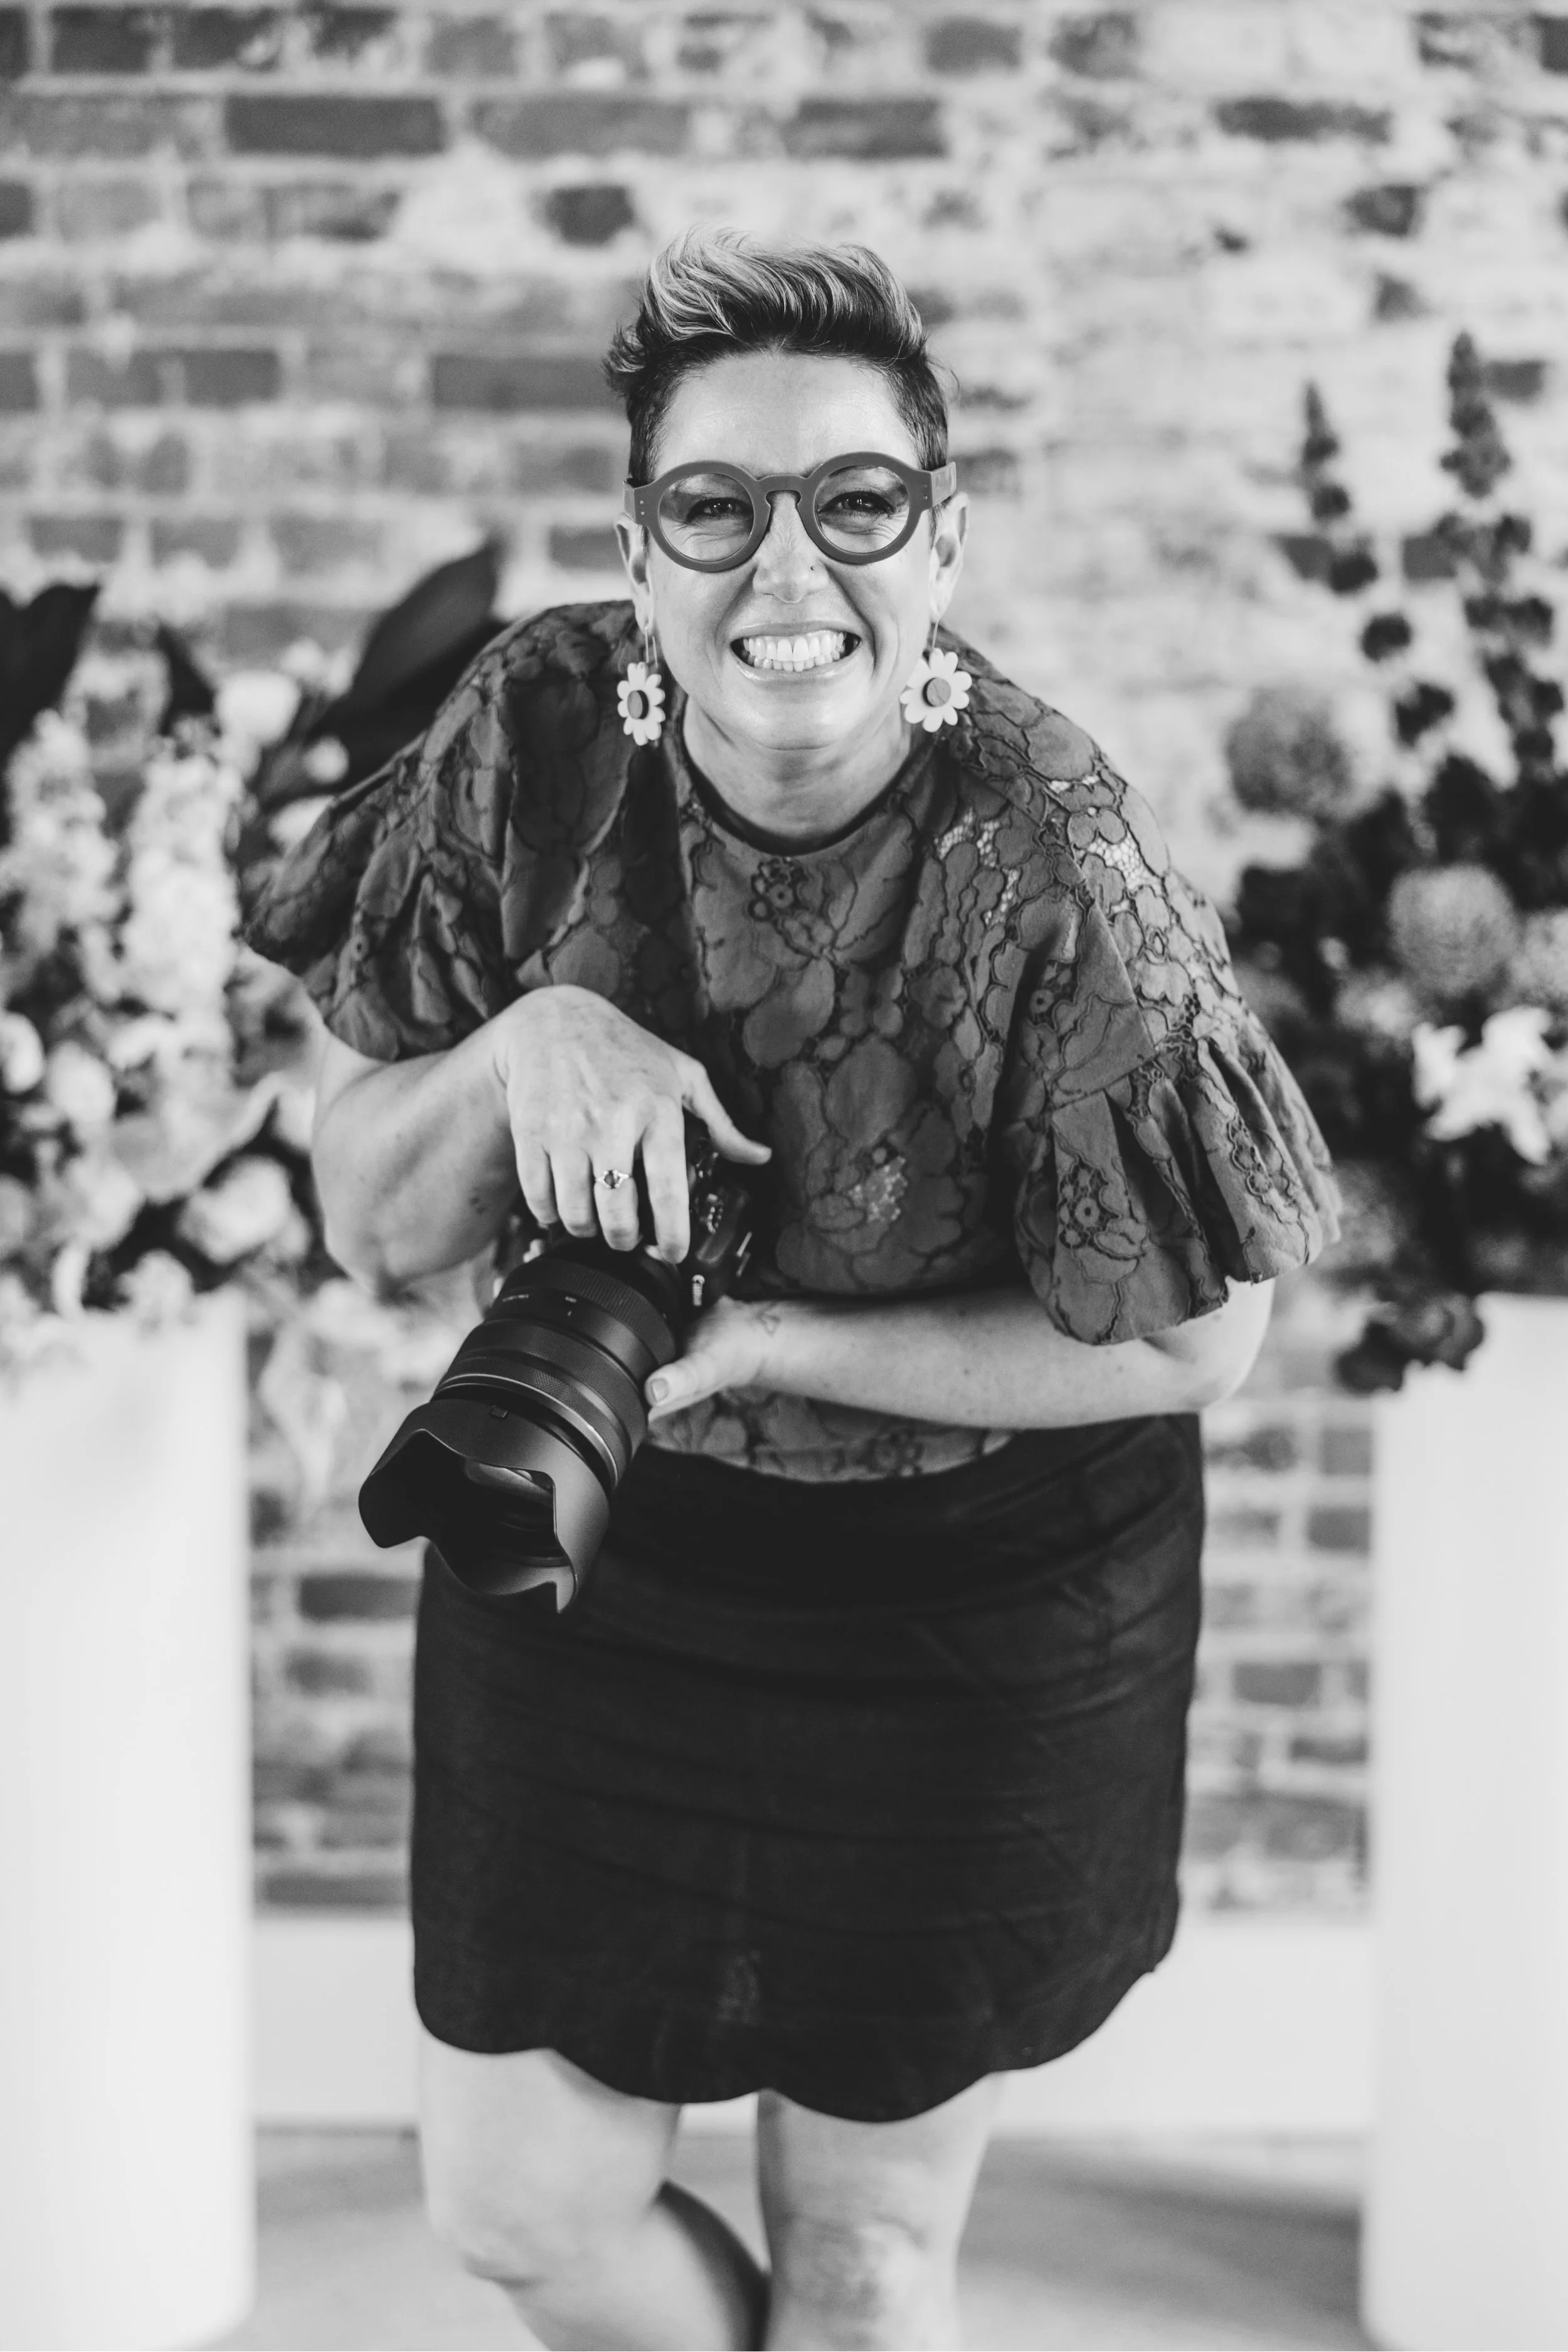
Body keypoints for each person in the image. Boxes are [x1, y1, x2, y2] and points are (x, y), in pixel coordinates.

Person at [245, 230, 1340, 2351]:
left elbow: (1210, 1335)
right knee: (514, 2211)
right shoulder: (536, 731)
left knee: (857, 2267)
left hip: (964, 1594)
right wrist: (519, 1043)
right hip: (597, 1563)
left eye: (853, 503)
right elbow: (376, 1222)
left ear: (942, 537)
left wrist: (767, 1344)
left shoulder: (1056, 861)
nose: (784, 571)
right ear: (639, 545)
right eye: (712, 506)